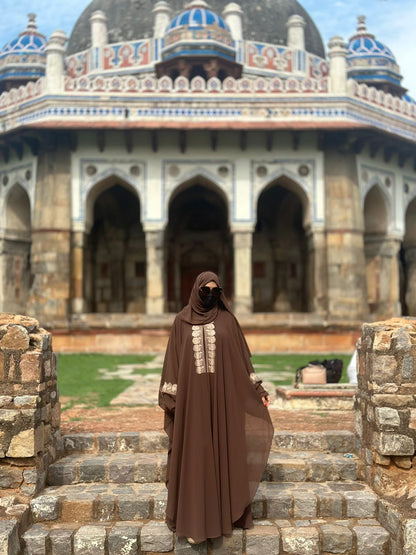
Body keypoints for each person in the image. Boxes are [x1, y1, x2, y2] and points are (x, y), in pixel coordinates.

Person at [159, 271, 274, 544]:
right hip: (192, 404)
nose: (210, 296)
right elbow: (173, 363)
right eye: (205, 291)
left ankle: (224, 515)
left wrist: (258, 389)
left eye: (215, 292)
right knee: (196, 457)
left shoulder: (228, 322)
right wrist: (170, 398)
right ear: (196, 291)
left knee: (224, 452)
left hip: (223, 402)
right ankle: (195, 523)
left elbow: (243, 363)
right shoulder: (180, 322)